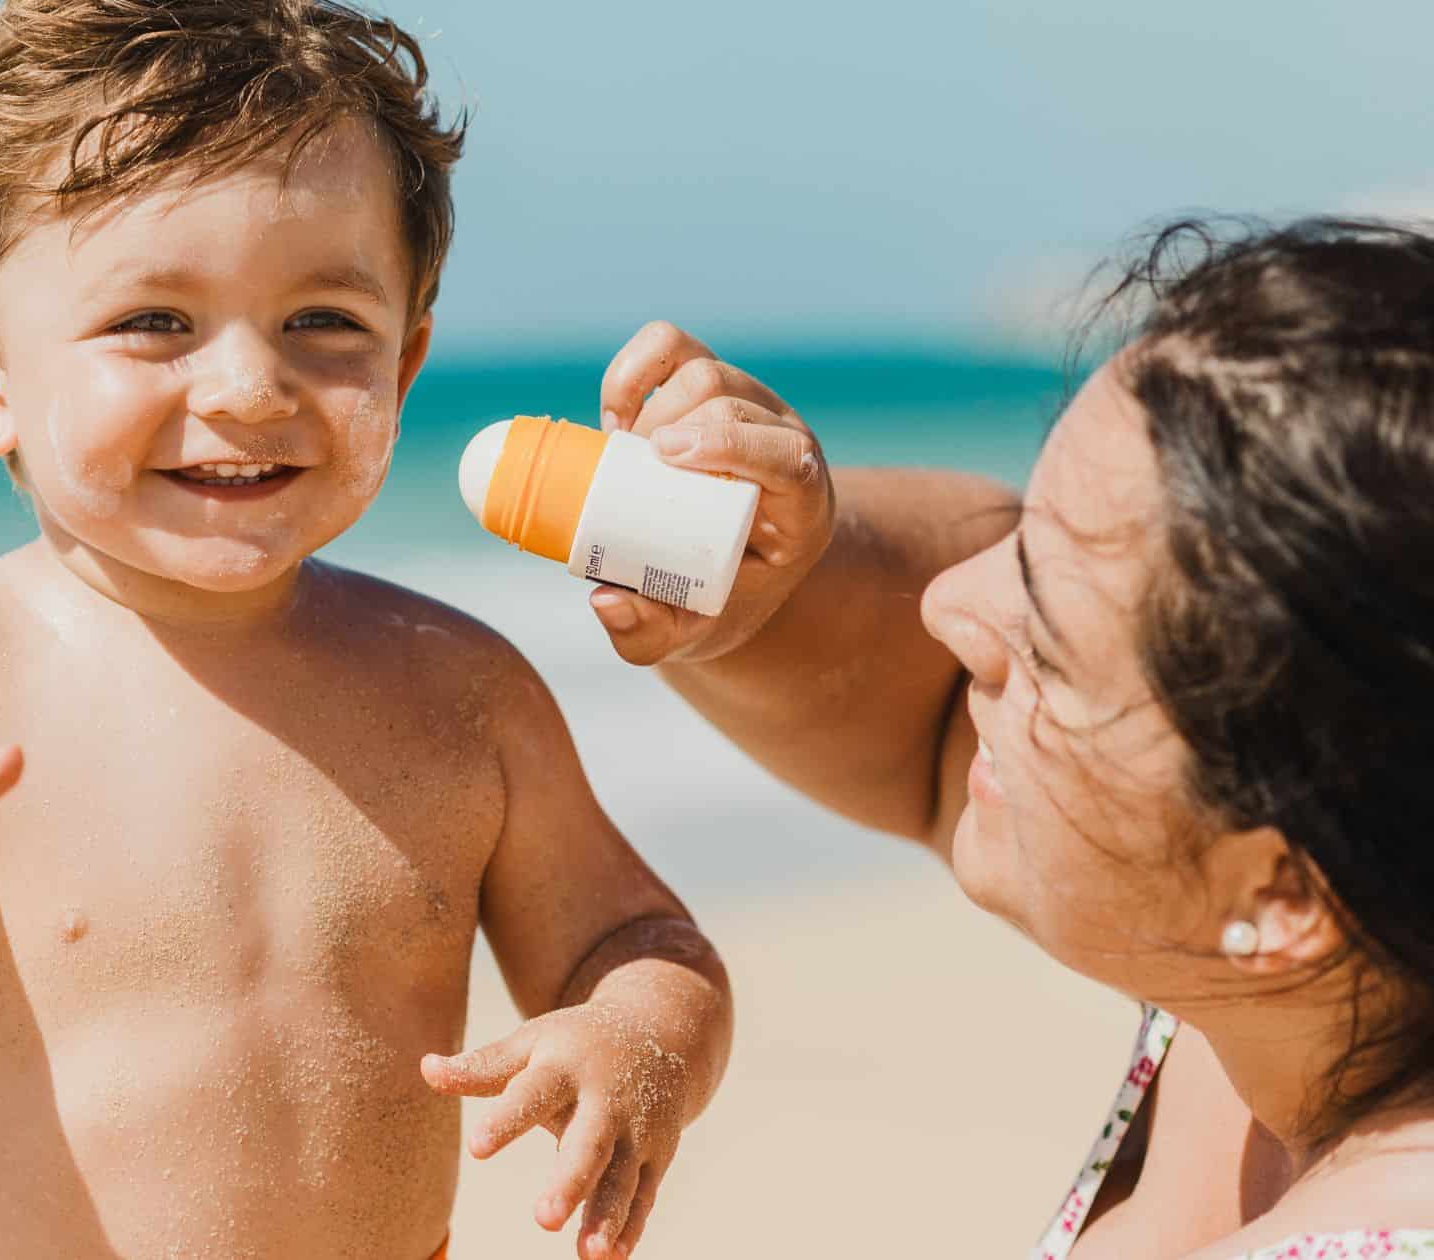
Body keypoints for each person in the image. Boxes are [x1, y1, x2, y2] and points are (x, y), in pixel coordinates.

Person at [0, 3, 739, 1257]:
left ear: (401, 366)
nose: (248, 387)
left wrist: (635, 1037)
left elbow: (635, 939)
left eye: (322, 325)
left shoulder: (461, 690)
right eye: (152, 323)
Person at [585, 217, 1434, 1258]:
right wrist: (771, 565)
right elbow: (932, 718)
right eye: (1035, 524)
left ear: (1284, 893)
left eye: (1048, 645)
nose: (946, 604)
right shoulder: (1318, 979)